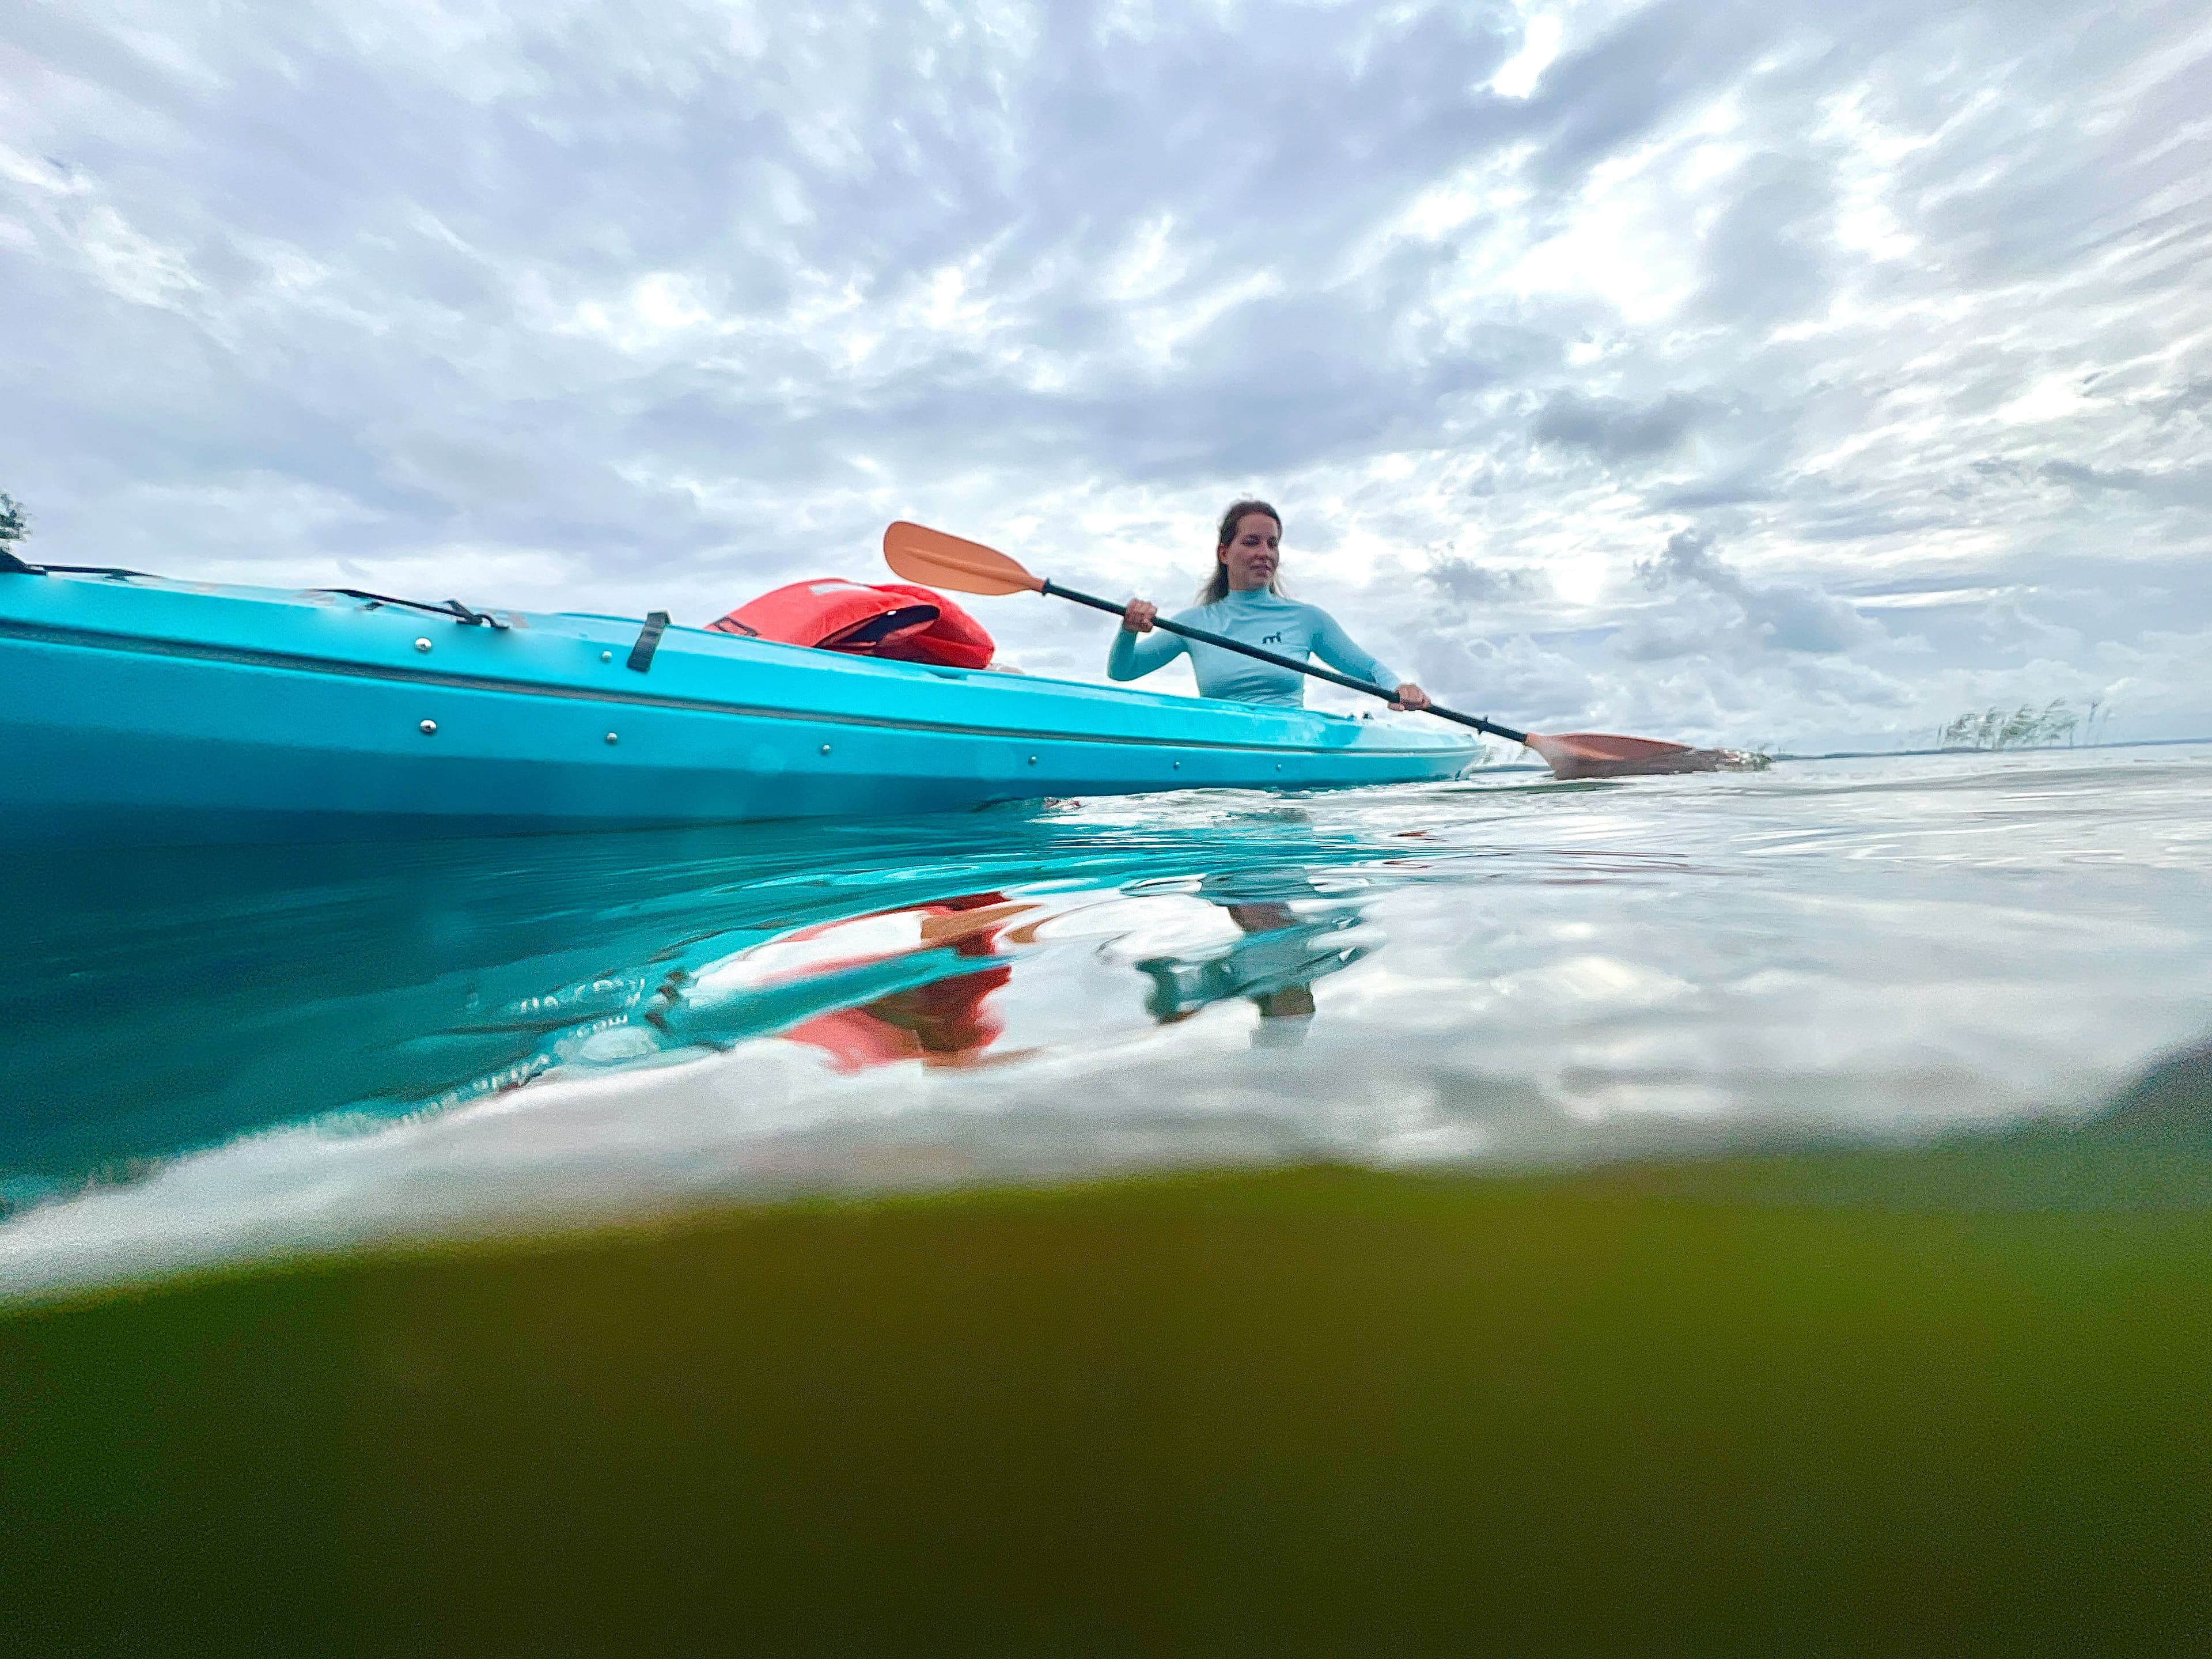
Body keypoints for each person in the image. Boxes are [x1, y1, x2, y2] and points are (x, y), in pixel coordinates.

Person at [1108, 499, 1431, 712]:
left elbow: (1368, 669)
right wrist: (1129, 631)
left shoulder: (1307, 620)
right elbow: (1123, 672)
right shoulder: (1193, 623)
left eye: (1272, 543)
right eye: (1251, 542)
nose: (1265, 552)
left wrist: (1398, 687)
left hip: (1291, 749)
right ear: (1224, 553)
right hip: (1224, 750)